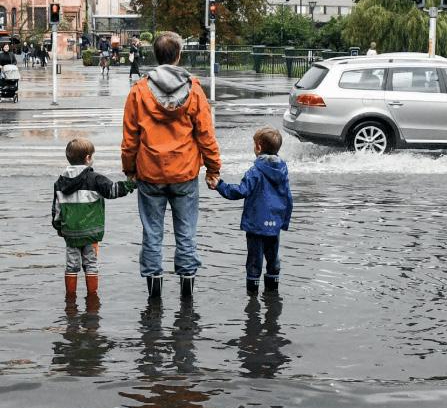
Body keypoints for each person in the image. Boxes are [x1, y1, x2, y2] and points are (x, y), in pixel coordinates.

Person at [121, 31, 221, 300]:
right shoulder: (194, 91)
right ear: (178, 56)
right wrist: (213, 169)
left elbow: (130, 138)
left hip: (150, 173)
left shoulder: (138, 92)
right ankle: (187, 290)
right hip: (184, 173)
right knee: (186, 232)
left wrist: (129, 169)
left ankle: (154, 291)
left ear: (155, 55)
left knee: (152, 233)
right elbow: (206, 136)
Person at [208, 127, 293, 295]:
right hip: (274, 224)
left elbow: (240, 191)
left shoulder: (255, 172)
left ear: (259, 148)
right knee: (273, 259)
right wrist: (284, 222)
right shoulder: (283, 172)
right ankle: (272, 294)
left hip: (256, 225)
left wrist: (220, 185)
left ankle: (252, 298)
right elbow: (288, 198)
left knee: (254, 260)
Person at [52, 139, 136, 298]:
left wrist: (59, 228)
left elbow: (56, 209)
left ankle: (71, 298)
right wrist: (131, 183)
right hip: (91, 232)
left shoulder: (60, 182)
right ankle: (92, 297)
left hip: (70, 233)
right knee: (91, 264)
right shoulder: (95, 179)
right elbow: (113, 191)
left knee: (71, 266)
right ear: (88, 158)